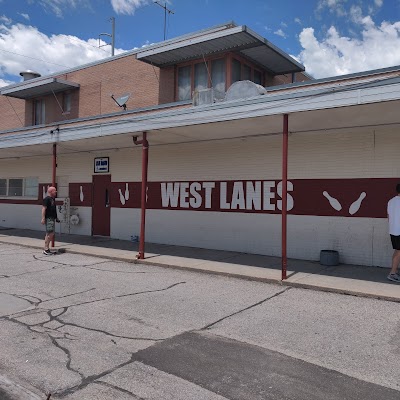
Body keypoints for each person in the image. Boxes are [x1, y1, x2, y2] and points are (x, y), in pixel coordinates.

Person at [387, 183, 400, 282]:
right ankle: (392, 273)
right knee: (398, 252)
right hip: (399, 231)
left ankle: (393, 272)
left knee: (397, 251)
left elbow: (388, 216)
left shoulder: (391, 201)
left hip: (393, 231)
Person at [41, 186, 59, 255]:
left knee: (50, 233)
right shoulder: (47, 199)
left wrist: (56, 217)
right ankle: (46, 249)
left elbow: (54, 210)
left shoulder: (53, 199)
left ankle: (47, 248)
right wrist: (43, 218)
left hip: (52, 218)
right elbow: (43, 209)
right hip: (49, 218)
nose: (55, 192)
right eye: (54, 191)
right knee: (50, 233)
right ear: (51, 192)